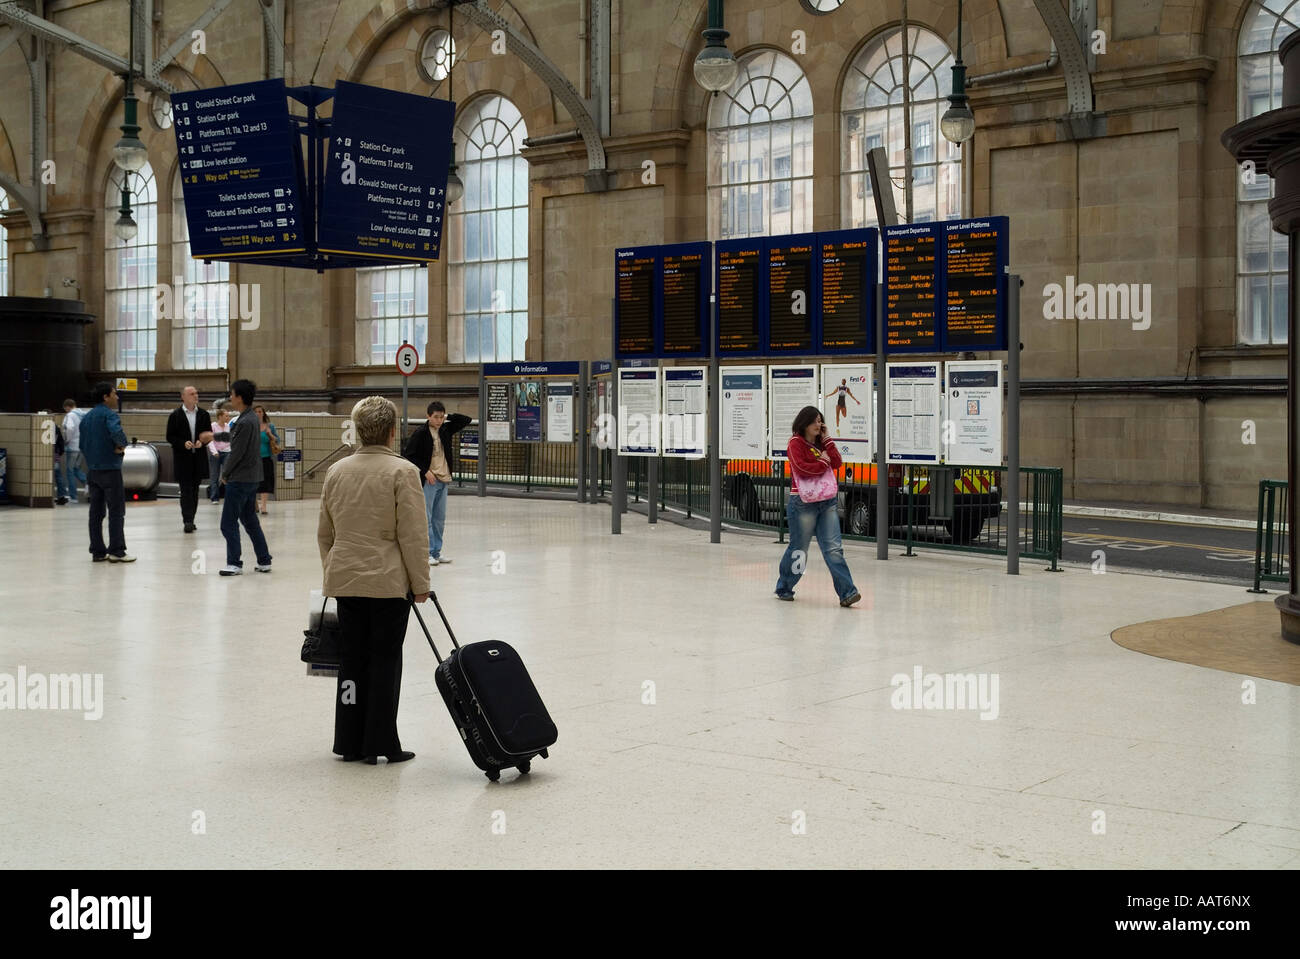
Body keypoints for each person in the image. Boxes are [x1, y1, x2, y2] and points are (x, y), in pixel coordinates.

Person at [319, 396, 430, 765]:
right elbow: (412, 535)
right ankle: (381, 742)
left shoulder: (337, 471)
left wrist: (333, 572)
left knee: (351, 661)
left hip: (347, 581)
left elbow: (325, 534)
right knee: (384, 661)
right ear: (392, 430)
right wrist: (420, 584)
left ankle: (348, 740)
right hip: (387, 583)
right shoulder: (403, 472)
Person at [774, 405, 861, 607]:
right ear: (804, 423)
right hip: (803, 503)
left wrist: (828, 440)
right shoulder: (795, 443)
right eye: (814, 420)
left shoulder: (823, 444)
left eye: (820, 420)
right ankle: (784, 587)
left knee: (834, 549)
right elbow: (803, 469)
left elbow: (837, 462)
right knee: (799, 549)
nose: (818, 424)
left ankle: (848, 592)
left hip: (827, 501)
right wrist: (823, 463)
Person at [402, 400, 471, 565]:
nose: (439, 420)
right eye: (436, 417)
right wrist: (425, 471)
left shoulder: (445, 429)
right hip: (429, 481)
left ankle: (436, 551)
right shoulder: (421, 433)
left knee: (439, 518)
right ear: (428, 416)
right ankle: (427, 552)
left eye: (441, 417)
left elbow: (465, 420)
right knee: (427, 517)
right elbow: (409, 455)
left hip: (443, 479)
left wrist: (448, 416)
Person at [218, 379, 272, 576]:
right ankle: (264, 559)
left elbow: (237, 453)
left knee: (228, 523)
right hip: (252, 478)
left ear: (239, 397)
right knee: (249, 520)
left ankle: (234, 563)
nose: (230, 398)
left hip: (240, 479)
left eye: (232, 394)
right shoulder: (251, 419)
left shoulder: (244, 421)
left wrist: (225, 474)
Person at [80, 382, 135, 563]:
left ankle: (97, 551)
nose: (117, 397)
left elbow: (82, 445)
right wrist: (121, 445)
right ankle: (117, 550)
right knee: (116, 510)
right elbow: (116, 433)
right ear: (106, 397)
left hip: (93, 470)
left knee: (95, 512)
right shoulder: (109, 415)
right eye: (114, 394)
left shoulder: (86, 418)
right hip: (110, 469)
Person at [165, 386, 213, 533]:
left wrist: (202, 442)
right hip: (183, 459)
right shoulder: (175, 415)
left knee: (195, 490)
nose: (195, 395)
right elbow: (170, 436)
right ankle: (187, 520)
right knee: (185, 490)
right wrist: (182, 443)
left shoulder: (204, 414)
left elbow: (209, 434)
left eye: (196, 393)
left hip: (198, 458)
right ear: (183, 397)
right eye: (192, 394)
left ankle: (191, 518)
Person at [254, 405, 279, 515]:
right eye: (256, 412)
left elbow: (277, 440)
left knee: (266, 482)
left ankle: (263, 506)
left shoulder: (270, 426)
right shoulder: (251, 426)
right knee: (253, 482)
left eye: (260, 411)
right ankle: (255, 504)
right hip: (253, 459)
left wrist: (270, 434)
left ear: (263, 413)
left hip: (266, 458)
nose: (258, 413)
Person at [62, 399, 87, 504]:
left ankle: (73, 497)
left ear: (68, 407)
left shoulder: (70, 415)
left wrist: (66, 440)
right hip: (81, 446)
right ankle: (88, 483)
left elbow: (69, 428)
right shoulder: (83, 414)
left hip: (72, 447)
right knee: (76, 468)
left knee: (70, 471)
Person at [208, 405, 232, 503]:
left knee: (227, 474)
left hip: (227, 452)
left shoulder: (228, 426)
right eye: (226, 416)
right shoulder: (213, 426)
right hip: (216, 453)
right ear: (220, 416)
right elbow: (210, 440)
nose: (228, 418)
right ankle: (214, 497)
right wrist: (214, 452)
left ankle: (228, 496)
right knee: (215, 475)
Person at [49, 413, 69, 505]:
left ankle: (48, 495)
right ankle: (61, 495)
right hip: (55, 453)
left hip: (46, 454)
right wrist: (60, 452)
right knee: (58, 475)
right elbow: (61, 441)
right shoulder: (56, 427)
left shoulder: (42, 426)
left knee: (47, 475)